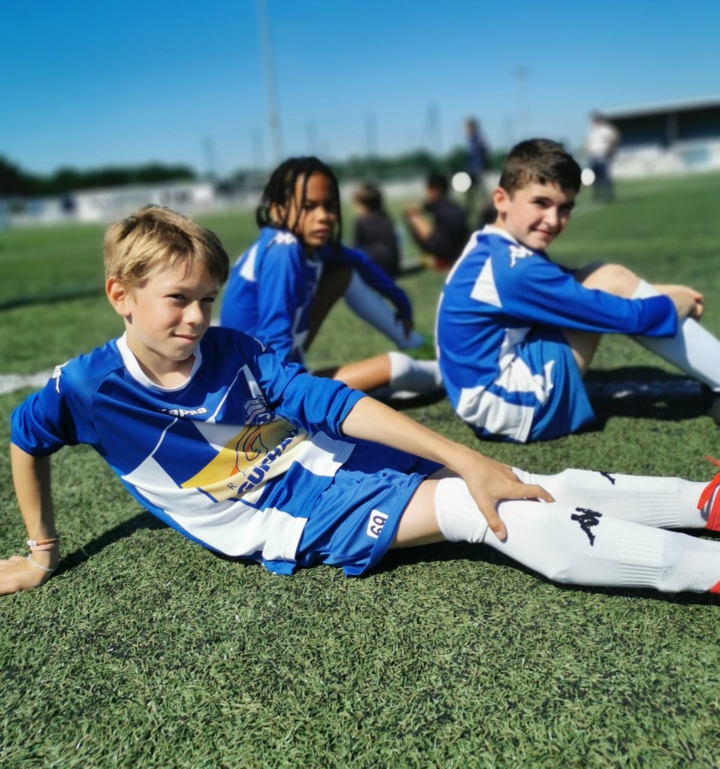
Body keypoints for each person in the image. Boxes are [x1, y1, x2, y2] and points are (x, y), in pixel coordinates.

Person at [4, 204, 720, 600]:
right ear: (120, 298)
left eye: (206, 299)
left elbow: (327, 401)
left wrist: (463, 455)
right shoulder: (86, 387)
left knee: (511, 484)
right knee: (483, 511)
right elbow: (24, 437)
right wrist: (42, 552)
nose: (196, 317)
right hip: (279, 510)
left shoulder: (234, 347)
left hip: (321, 453)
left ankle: (705, 505)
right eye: (177, 301)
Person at [437, 138, 720, 443]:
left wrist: (665, 291)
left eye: (565, 208)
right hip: (509, 406)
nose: (553, 220)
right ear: (501, 199)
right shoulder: (514, 269)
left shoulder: (490, 245)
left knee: (603, 276)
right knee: (610, 278)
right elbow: (629, 318)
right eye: (541, 202)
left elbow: (566, 286)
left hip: (479, 396)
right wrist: (679, 301)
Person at [220, 157, 441, 397]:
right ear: (277, 209)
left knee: (342, 274)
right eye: (308, 207)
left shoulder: (299, 243)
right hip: (261, 384)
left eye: (329, 206)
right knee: (397, 367)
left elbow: (358, 261)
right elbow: (274, 337)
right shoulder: (283, 250)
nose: (323, 216)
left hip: (271, 367)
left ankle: (413, 343)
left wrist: (402, 302)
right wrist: (287, 399)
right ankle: (457, 374)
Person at [403, 171, 470, 269]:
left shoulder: (437, 203)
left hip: (442, 251)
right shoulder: (454, 206)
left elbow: (414, 208)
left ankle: (429, 256)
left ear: (434, 189)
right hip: (459, 249)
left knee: (412, 215)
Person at [352, 182, 400, 277]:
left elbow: (355, 246)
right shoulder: (385, 217)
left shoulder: (361, 221)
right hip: (393, 264)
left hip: (376, 264)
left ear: (363, 204)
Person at [585, 111, 621, 202]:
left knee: (605, 176)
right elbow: (588, 142)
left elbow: (615, 136)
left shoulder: (606, 130)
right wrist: (588, 149)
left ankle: (609, 195)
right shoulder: (593, 132)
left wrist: (609, 148)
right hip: (594, 155)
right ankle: (597, 195)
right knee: (594, 177)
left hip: (602, 155)